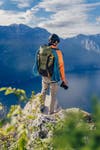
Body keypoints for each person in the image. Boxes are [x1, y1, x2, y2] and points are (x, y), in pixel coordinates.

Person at [33, 34, 68, 114]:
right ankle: (51, 112)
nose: (58, 43)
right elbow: (61, 67)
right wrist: (64, 79)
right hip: (53, 77)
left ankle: (41, 107)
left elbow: (37, 63)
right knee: (53, 95)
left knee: (44, 90)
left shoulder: (41, 50)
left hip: (44, 75)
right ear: (55, 42)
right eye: (58, 42)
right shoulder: (58, 52)